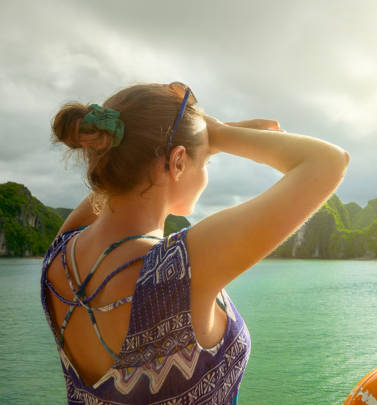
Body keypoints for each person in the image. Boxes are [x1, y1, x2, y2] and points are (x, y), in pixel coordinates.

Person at [41, 82, 350, 404]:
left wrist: (194, 142)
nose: (206, 171)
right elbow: (329, 161)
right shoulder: (178, 269)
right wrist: (216, 131)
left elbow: (122, 172)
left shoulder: (59, 255)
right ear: (178, 162)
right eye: (206, 162)